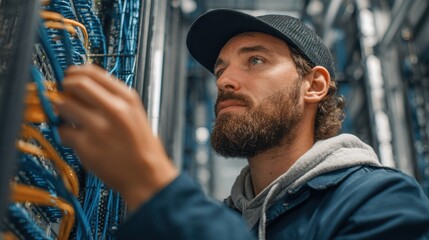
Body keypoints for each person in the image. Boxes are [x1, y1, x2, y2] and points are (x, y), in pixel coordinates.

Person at [55, 9, 429, 240]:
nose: (224, 81)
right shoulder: (224, 218)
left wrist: (154, 188)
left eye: (255, 61)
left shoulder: (380, 201)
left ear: (314, 85)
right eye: (220, 69)